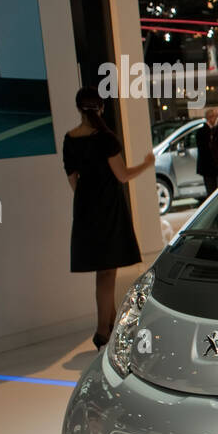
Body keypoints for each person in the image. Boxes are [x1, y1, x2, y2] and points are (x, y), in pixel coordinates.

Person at [62, 87, 153, 349]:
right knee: (106, 271)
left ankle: (110, 324)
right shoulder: (105, 138)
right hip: (108, 207)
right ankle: (102, 330)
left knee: (104, 270)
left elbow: (73, 179)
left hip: (85, 209)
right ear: (100, 107)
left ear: (79, 108)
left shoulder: (70, 139)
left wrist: (86, 201)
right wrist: (147, 164)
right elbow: (122, 175)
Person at [195, 106, 218, 199]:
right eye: (216, 116)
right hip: (208, 166)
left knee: (216, 188)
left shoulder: (215, 130)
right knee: (211, 190)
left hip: (213, 165)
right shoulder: (203, 131)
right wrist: (217, 162)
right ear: (210, 118)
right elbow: (206, 150)